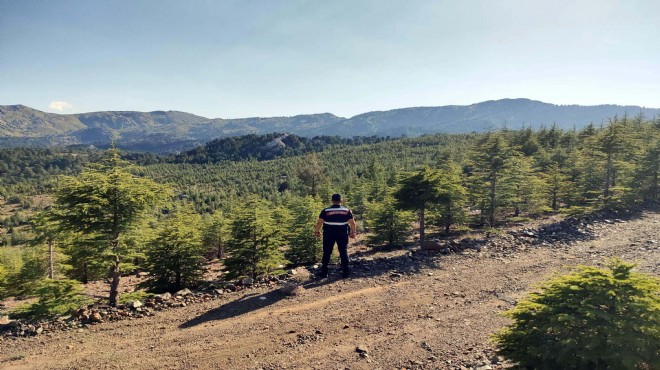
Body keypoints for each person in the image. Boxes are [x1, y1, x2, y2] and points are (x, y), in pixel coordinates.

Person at [314, 193, 357, 278]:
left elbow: (319, 222)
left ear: (332, 200)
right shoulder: (347, 211)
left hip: (329, 233)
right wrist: (353, 232)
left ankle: (324, 273)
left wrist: (317, 231)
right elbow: (352, 223)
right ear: (341, 200)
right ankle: (346, 273)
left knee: (327, 252)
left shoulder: (325, 211)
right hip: (342, 233)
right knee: (343, 251)